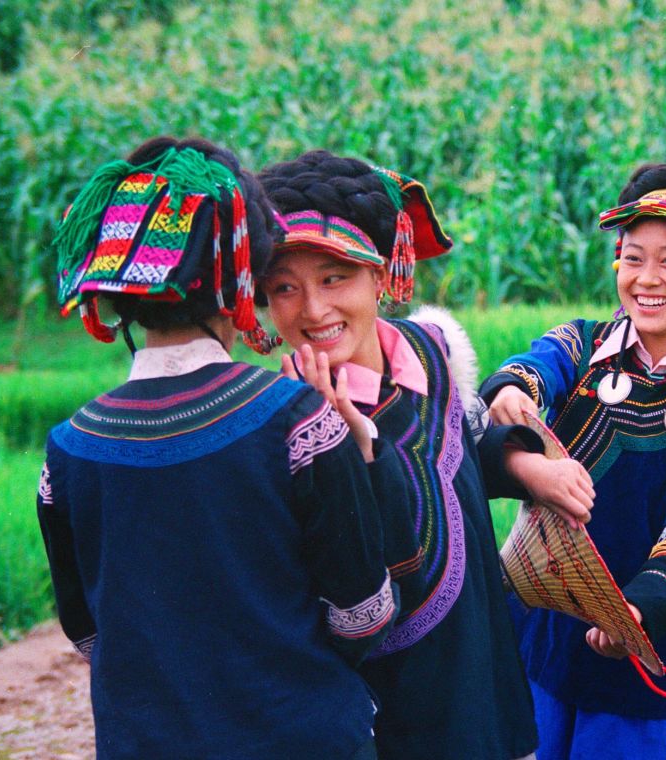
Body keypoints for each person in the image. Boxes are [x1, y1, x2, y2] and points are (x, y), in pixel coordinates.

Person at [37, 136, 398, 759]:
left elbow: (89, 632)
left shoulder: (68, 451)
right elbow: (362, 614)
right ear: (240, 278)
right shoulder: (297, 420)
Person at [257, 150, 596, 760]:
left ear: (382, 277)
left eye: (335, 279)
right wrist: (347, 451)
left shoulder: (432, 352)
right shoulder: (287, 426)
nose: (313, 310)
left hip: (481, 660)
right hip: (393, 705)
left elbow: (455, 454)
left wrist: (524, 466)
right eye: (285, 288)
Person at [480, 162, 666, 760]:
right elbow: (530, 370)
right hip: (545, 636)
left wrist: (640, 608)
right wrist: (511, 392)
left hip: (650, 648)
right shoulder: (578, 346)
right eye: (633, 257)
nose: (647, 278)